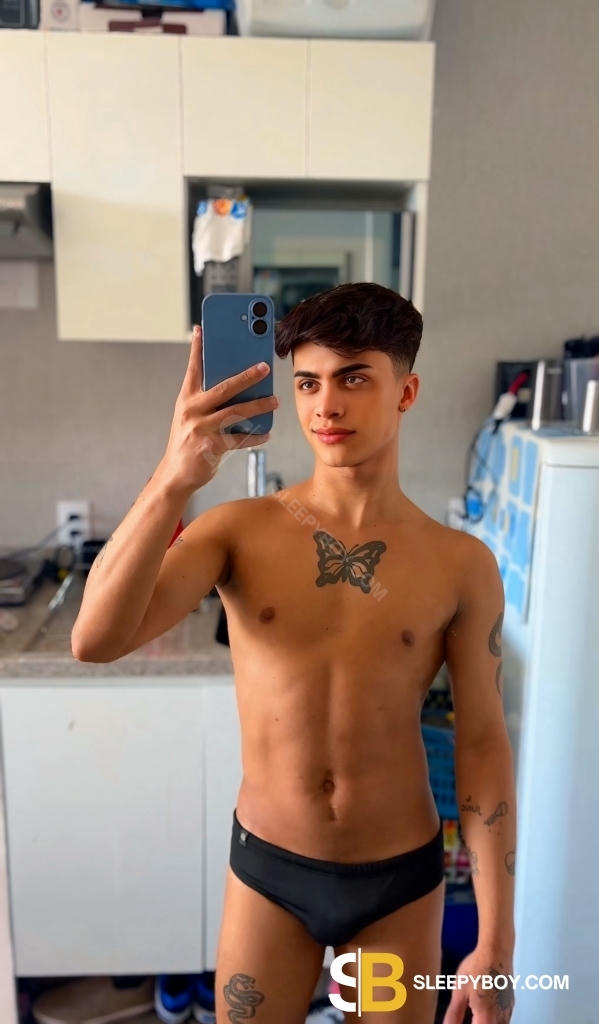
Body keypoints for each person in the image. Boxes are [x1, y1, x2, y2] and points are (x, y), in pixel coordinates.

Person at [72, 283, 516, 1024]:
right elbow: (95, 639)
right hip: (269, 876)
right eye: (308, 382)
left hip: (397, 884)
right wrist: (176, 473)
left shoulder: (459, 564)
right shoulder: (235, 532)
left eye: (353, 378)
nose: (325, 406)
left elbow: (481, 744)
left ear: (406, 392)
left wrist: (495, 939)